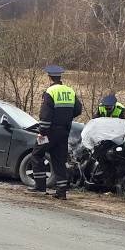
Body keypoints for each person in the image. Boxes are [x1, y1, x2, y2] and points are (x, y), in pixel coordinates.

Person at [32, 64, 82, 199]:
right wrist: (66, 116)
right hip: (64, 132)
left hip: (48, 132)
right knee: (59, 160)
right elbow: (78, 110)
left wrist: (42, 131)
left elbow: (46, 114)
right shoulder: (70, 91)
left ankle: (40, 187)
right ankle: (61, 192)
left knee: (37, 155)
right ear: (60, 77)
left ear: (49, 77)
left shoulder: (50, 92)